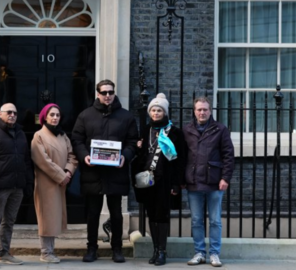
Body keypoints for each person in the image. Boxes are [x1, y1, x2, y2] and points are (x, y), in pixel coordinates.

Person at [71, 79, 139, 263]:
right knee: (92, 213)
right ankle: (91, 248)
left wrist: (125, 156)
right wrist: (85, 155)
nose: (107, 95)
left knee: (116, 213)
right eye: (104, 92)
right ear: (98, 94)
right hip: (93, 173)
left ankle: (117, 248)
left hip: (116, 173)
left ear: (114, 93)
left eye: (110, 92)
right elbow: (76, 139)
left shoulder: (126, 117)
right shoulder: (85, 116)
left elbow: (133, 141)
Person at [132, 93, 187, 266]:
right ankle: (155, 249)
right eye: (153, 110)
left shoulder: (175, 132)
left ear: (165, 112)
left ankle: (162, 251)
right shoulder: (146, 130)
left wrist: (176, 184)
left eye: (159, 110)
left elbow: (180, 160)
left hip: (165, 180)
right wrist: (137, 147)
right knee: (151, 215)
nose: (156, 113)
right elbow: (142, 156)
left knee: (162, 216)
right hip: (148, 180)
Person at [0, 103, 34, 269]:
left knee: (9, 221)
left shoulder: (21, 134)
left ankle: (3, 252)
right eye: (9, 112)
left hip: (18, 185)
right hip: (0, 185)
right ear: (0, 114)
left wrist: (28, 182)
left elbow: (26, 160)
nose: (12, 115)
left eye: (15, 113)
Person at [183, 97, 234, 267]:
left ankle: (214, 253)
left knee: (215, 221)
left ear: (210, 111)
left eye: (205, 109)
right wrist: (182, 179)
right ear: (194, 111)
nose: (202, 112)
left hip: (214, 182)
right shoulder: (187, 130)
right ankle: (199, 253)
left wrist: (225, 178)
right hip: (194, 181)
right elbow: (182, 156)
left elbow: (228, 155)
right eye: (199, 109)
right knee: (196, 220)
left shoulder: (220, 129)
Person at [31, 103, 78, 263]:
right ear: (45, 116)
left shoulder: (63, 136)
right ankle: (46, 252)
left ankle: (50, 251)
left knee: (54, 217)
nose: (55, 117)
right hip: (46, 183)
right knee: (47, 217)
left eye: (57, 115)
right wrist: (60, 175)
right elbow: (42, 161)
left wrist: (68, 172)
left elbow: (72, 156)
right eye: (52, 115)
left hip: (61, 183)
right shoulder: (39, 136)